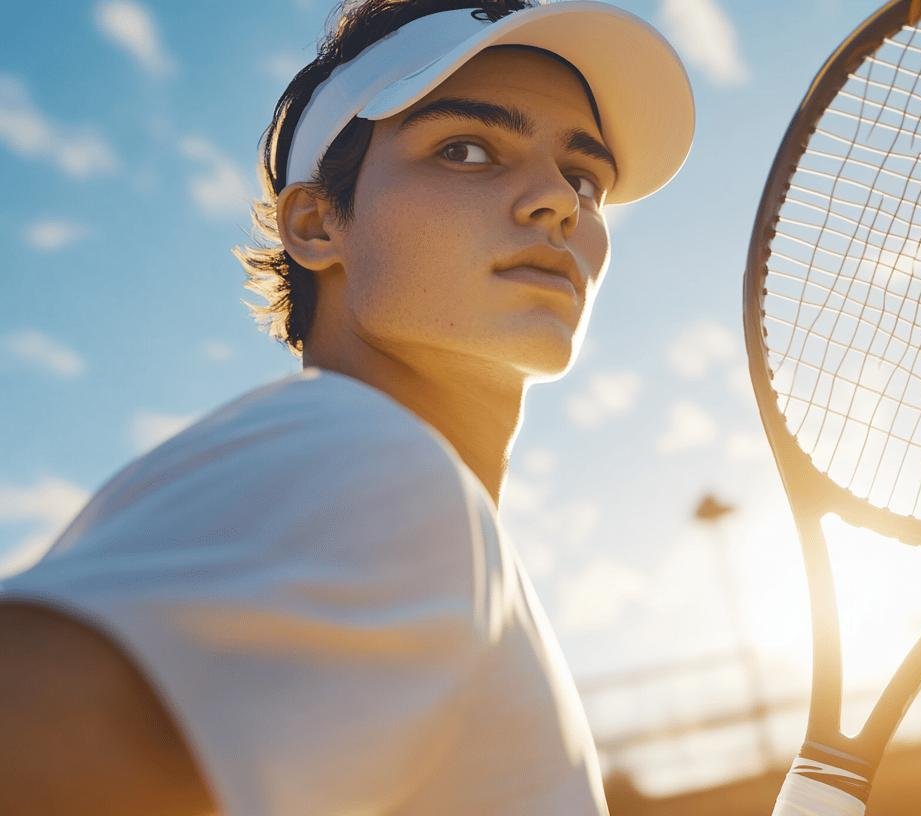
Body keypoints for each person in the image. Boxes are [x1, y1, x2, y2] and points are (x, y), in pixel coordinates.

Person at [0, 0, 694, 813]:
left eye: (585, 177)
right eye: (467, 150)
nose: (559, 201)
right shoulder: (373, 463)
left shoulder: (443, 545)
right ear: (317, 222)